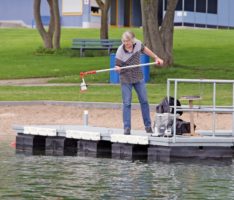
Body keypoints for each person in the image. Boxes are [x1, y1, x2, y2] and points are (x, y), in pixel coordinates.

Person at [115, 30, 164, 135]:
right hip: (126, 78)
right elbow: (117, 65)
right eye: (124, 41)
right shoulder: (120, 50)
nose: (126, 43)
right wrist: (118, 68)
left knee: (144, 101)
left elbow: (146, 50)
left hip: (138, 76)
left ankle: (148, 126)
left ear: (132, 40)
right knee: (127, 103)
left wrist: (156, 57)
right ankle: (127, 128)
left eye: (127, 41)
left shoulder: (137, 44)